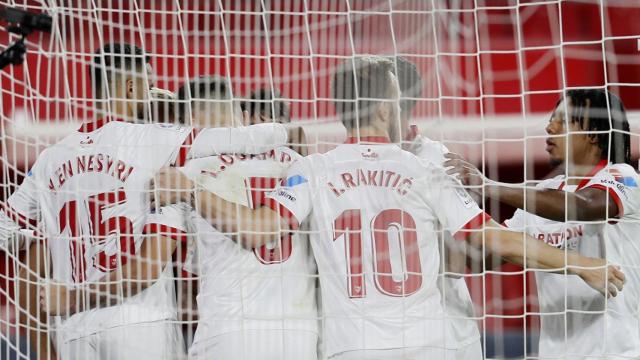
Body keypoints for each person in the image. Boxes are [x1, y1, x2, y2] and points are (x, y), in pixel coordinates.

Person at [154, 57, 624, 360]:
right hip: (428, 344)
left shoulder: (311, 172)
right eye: (399, 98)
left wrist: (191, 191)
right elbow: (489, 239)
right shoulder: (424, 168)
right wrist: (579, 263)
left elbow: (258, 231)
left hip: (352, 348)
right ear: (383, 109)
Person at [0, 43, 289, 360]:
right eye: (150, 85)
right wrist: (286, 132)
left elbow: (5, 231)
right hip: (138, 320)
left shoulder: (50, 158)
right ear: (130, 86)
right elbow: (258, 137)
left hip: (74, 329)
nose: (155, 93)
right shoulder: (156, 138)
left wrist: (45, 237)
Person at [445, 89, 640, 359]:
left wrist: (488, 186)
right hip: (555, 353)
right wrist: (449, 208)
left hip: (620, 353)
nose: (550, 127)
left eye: (563, 120)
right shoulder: (544, 194)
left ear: (594, 134)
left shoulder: (625, 177)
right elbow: (482, 259)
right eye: (551, 119)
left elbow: (584, 205)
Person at [159, 76, 318, 359]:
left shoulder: (184, 176)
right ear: (243, 115)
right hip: (298, 334)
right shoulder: (298, 164)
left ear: (188, 125)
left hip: (229, 332)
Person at [392, 56, 483, 359]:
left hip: (447, 328)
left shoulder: (436, 160)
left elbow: (457, 263)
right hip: (387, 328)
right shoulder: (357, 159)